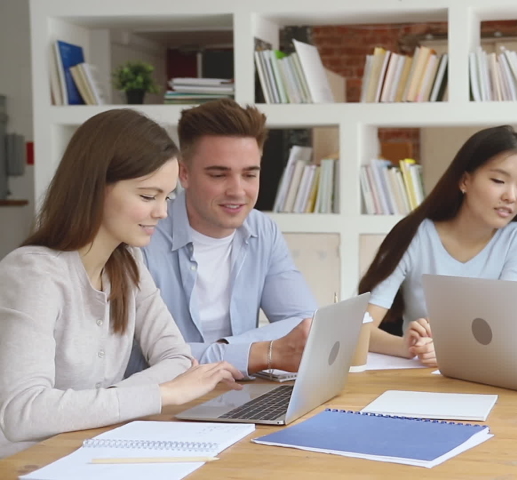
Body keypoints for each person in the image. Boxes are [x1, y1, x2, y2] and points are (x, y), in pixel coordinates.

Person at [0, 109, 243, 458]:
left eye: (167, 197)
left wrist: (119, 400)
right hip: (29, 464)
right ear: (95, 188)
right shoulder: (33, 274)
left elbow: (176, 356)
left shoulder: (128, 263)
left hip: (94, 452)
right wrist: (162, 394)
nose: (162, 212)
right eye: (148, 196)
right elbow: (23, 412)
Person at [126, 99, 317, 378]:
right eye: (219, 175)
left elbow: (306, 325)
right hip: (164, 402)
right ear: (184, 173)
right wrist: (258, 353)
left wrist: (223, 353)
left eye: (250, 174)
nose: (238, 191)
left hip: (241, 390)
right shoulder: (142, 238)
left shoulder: (263, 231)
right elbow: (138, 358)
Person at [359, 125, 517, 367]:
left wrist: (450, 348)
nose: (511, 196)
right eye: (498, 180)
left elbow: (503, 329)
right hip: (416, 375)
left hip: (484, 372)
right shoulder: (414, 234)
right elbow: (360, 328)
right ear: (465, 180)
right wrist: (408, 346)